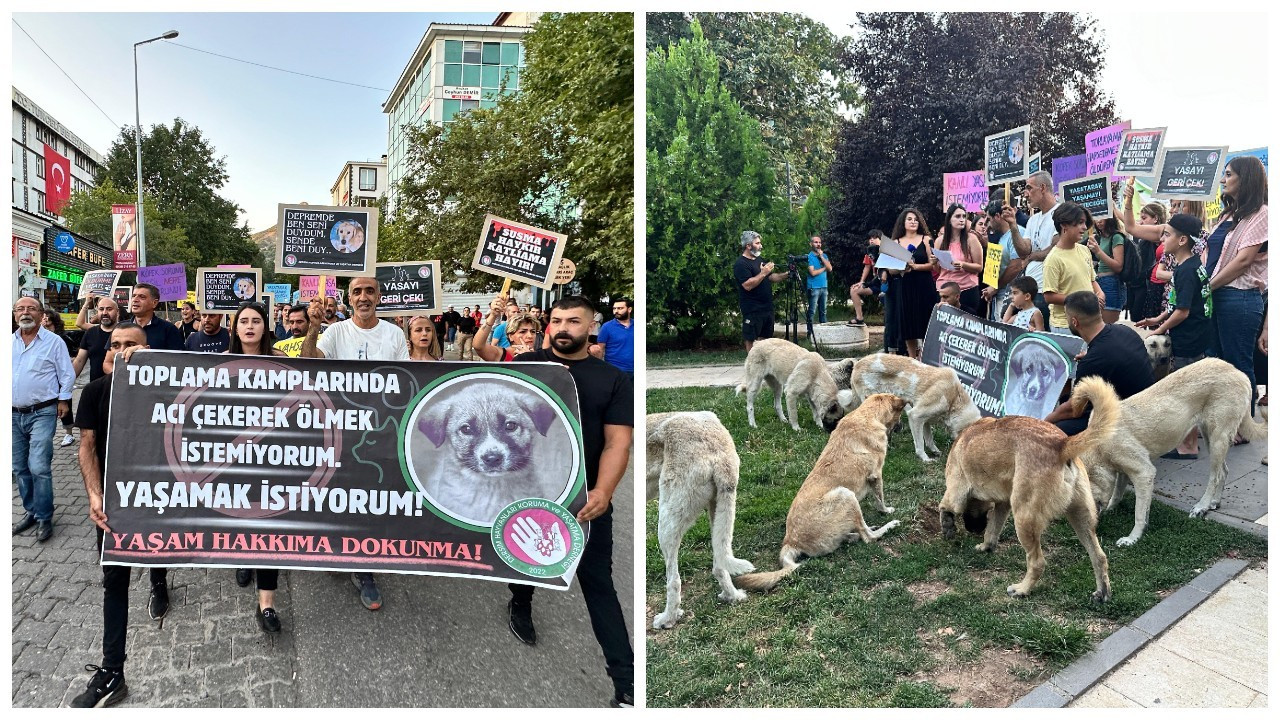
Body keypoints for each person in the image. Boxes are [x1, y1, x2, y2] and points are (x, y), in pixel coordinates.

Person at [506, 295, 634, 708]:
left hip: (585, 500)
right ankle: (521, 602)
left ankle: (626, 682)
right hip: (527, 492)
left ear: (591, 326)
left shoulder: (612, 379)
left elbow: (618, 442)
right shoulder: (527, 365)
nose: (563, 328)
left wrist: (603, 491)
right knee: (523, 560)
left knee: (598, 584)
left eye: (573, 322)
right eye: (556, 320)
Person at [301, 276, 408, 611]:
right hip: (338, 430)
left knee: (368, 498)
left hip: (377, 432)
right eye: (357, 292)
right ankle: (335, 549)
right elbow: (309, 362)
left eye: (370, 291)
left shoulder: (394, 334)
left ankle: (364, 568)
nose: (364, 297)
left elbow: (406, 381)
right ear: (349, 298)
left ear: (379, 296)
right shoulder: (335, 332)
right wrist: (313, 328)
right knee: (336, 493)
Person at [69, 322, 152, 707]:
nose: (120, 351)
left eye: (130, 345)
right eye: (114, 345)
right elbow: (86, 444)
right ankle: (112, 671)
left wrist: (156, 368)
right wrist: (93, 494)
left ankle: (160, 584)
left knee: (160, 562)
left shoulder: (167, 389)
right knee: (115, 581)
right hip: (116, 505)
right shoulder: (94, 392)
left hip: (162, 502)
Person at [222, 303, 288, 632]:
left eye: (256, 321)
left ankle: (267, 603)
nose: (249, 326)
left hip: (274, 456)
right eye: (243, 321)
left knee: (268, 524)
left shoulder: (282, 360)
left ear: (266, 327)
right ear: (235, 328)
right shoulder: (217, 362)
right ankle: (242, 555)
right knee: (240, 513)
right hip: (233, 455)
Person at [1137, 214, 1211, 458]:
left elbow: (1183, 311)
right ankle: (1186, 441)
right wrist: (1157, 319)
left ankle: (1188, 446)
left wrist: (1157, 332)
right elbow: (1177, 304)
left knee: (1186, 393)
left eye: (1167, 234)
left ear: (1181, 240)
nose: (1162, 237)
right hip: (1192, 336)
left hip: (1190, 340)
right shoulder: (1187, 266)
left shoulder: (1187, 270)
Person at [1203, 155, 1268, 423]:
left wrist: (1207, 287)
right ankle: (1223, 422)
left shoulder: (1263, 214)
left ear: (1246, 178)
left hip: (1239, 297)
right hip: (1217, 295)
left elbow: (1243, 261)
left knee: (1238, 364)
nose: (1223, 179)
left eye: (1229, 174)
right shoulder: (1228, 214)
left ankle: (1244, 425)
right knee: (1217, 363)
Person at [1045, 291, 1153, 436]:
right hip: (1147, 408)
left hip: (1128, 424)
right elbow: (1111, 357)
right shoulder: (1125, 331)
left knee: (1054, 432)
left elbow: (1073, 409)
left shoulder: (1093, 361)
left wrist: (1045, 422)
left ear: (1075, 322)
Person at [13, 298, 74, 542]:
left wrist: (64, 400)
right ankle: (32, 511)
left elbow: (67, 374)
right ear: (14, 314)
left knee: (38, 466)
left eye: (31, 308)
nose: (25, 312)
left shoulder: (54, 342)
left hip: (43, 412)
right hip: (12, 413)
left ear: (41, 315)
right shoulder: (8, 341)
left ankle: (44, 517)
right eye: (20, 309)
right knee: (19, 467)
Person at [1042, 202, 1105, 334]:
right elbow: (1049, 296)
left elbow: (1091, 280)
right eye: (1080, 222)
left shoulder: (1084, 250)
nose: (1084, 227)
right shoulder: (1053, 259)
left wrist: (1099, 294)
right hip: (1066, 326)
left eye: (1085, 223)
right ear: (1064, 225)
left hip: (1088, 322)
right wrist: (1081, 301)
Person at [885, 209, 937, 359]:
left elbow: (933, 264)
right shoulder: (896, 242)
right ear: (903, 222)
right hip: (905, 285)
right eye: (909, 219)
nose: (913, 221)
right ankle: (912, 358)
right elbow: (891, 270)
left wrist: (916, 267)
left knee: (925, 320)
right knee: (908, 322)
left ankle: (926, 356)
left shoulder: (926, 239)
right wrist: (903, 267)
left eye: (916, 219)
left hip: (924, 285)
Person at [1119, 187, 1171, 321]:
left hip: (1149, 285)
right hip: (1137, 283)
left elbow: (1131, 226)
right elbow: (1129, 224)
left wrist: (1127, 203)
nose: (1140, 221)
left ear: (1155, 219)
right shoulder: (1151, 232)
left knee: (1143, 319)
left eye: (1144, 218)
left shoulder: (1160, 233)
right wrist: (1121, 205)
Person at [1017, 171, 1062, 324]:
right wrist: (1012, 225)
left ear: (1042, 188)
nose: (1026, 194)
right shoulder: (1032, 220)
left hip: (1048, 290)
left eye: (1029, 188)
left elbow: (1055, 249)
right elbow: (1024, 250)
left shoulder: (1060, 213)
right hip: (1032, 292)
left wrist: (1031, 257)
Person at [734, 230, 790, 353]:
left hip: (767, 308)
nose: (761, 246)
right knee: (751, 338)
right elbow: (748, 285)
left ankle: (763, 366)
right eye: (757, 243)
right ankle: (752, 366)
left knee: (765, 339)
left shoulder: (759, 259)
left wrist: (787, 274)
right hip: (753, 309)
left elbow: (770, 277)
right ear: (748, 246)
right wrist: (763, 272)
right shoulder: (741, 264)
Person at [930, 203, 985, 316]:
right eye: (958, 216)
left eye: (964, 216)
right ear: (949, 219)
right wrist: (934, 262)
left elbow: (979, 267)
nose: (962, 220)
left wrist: (963, 264)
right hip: (944, 289)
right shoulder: (940, 241)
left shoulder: (971, 239)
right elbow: (938, 270)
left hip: (966, 289)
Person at [980, 202, 1028, 321]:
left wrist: (995, 286)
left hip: (1011, 297)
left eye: (989, 219)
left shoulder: (1017, 233)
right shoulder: (1002, 237)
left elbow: (1016, 266)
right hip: (1001, 295)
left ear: (997, 216)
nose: (988, 225)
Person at [42, 308, 79, 446]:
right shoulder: (39, 337)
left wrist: (69, 365)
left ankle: (68, 433)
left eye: (47, 317)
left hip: (61, 377)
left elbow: (75, 352)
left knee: (64, 403)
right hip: (47, 379)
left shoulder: (61, 337)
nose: (44, 319)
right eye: (43, 317)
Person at [474, 297, 539, 361]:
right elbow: (478, 346)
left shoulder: (540, 355)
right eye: (522, 332)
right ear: (510, 336)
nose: (530, 336)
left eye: (533, 331)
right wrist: (493, 315)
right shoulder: (502, 354)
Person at [1088, 216, 1127, 324]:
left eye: (1102, 218)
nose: (1099, 221)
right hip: (1100, 282)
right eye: (1096, 218)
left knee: (1106, 326)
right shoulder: (1101, 237)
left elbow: (1118, 266)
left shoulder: (1116, 237)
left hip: (1112, 283)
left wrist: (1098, 251)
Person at [73, 298, 121, 383]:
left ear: (117, 312)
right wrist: (67, 382)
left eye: (109, 309)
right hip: (96, 388)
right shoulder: (90, 333)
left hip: (120, 386)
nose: (105, 313)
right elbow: (80, 360)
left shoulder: (126, 332)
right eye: (101, 309)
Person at [128, 284, 184, 351]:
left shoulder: (169, 330)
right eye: (133, 296)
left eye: (142, 297)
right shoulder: (121, 328)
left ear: (154, 303)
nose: (135, 300)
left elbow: (178, 358)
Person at [591, 297, 634, 378]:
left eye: (620, 308)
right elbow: (599, 349)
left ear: (629, 309)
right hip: (615, 370)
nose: (616, 311)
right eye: (614, 308)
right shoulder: (607, 327)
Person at [848, 230, 882, 327]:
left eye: (874, 238)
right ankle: (859, 318)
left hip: (887, 282)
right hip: (876, 282)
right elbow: (867, 266)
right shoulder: (869, 252)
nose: (871, 240)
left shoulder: (885, 251)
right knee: (854, 290)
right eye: (870, 238)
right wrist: (861, 281)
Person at [805, 235, 834, 333]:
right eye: (816, 242)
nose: (818, 244)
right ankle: (810, 333)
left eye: (819, 242)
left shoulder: (824, 255)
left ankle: (824, 333)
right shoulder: (809, 256)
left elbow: (830, 269)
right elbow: (812, 273)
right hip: (814, 287)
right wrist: (824, 268)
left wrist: (821, 256)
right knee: (812, 311)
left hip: (824, 286)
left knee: (823, 311)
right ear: (811, 244)